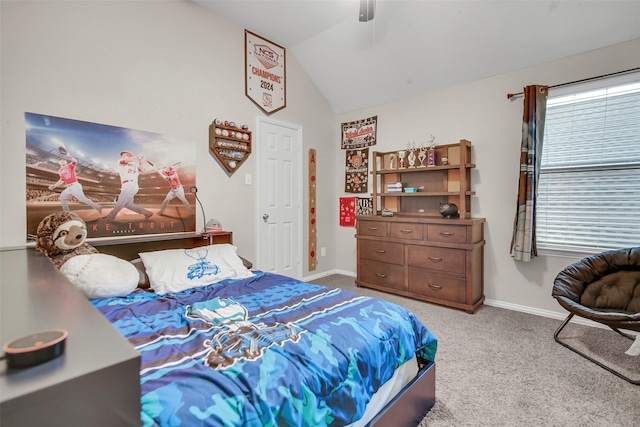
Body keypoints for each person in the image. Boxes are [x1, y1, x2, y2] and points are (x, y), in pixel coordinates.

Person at [103, 150, 153, 220]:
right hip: (125, 184)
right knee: (129, 205)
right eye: (123, 155)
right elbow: (126, 160)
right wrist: (136, 157)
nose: (123, 156)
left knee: (121, 199)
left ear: (129, 155)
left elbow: (142, 169)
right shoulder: (120, 162)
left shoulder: (135, 165)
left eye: (125, 154)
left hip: (131, 184)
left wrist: (140, 161)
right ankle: (148, 213)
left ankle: (111, 216)